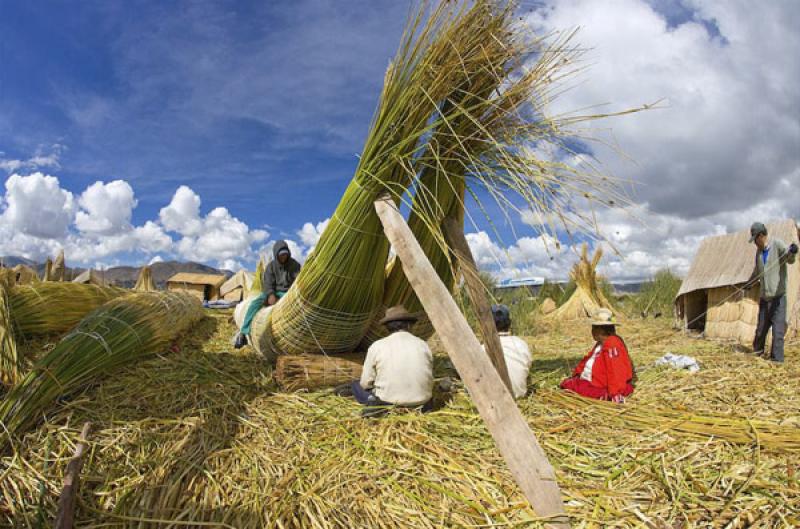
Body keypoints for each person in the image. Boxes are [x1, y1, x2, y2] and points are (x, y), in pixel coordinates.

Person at [339, 305, 433, 417]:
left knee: (356, 385)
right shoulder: (423, 345)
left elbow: (365, 383)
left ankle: (375, 404)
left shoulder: (377, 346)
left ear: (387, 327)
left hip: (388, 403)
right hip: (422, 404)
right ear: (409, 325)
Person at [745, 222, 798, 363]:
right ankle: (757, 356)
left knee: (778, 333)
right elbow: (757, 271)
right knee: (761, 330)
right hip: (764, 298)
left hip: (778, 299)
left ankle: (777, 362)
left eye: (755, 239)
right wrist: (749, 284)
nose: (755, 243)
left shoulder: (777, 245)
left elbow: (790, 258)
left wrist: (793, 251)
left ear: (761, 236)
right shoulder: (759, 252)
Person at [233, 240, 302, 349]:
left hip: (287, 293)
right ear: (276, 255)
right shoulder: (271, 266)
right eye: (281, 255)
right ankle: (243, 332)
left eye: (285, 254)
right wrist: (270, 294)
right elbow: (268, 283)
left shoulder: (295, 265)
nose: (284, 257)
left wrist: (291, 295)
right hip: (273, 292)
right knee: (255, 303)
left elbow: (298, 282)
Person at [560, 309, 633, 403]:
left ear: (600, 330)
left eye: (594, 328)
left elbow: (615, 369)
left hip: (601, 386)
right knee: (569, 384)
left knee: (571, 387)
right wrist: (576, 374)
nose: (592, 331)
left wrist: (615, 393)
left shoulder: (612, 343)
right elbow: (588, 360)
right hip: (593, 382)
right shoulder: (601, 344)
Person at [489, 304, 533, 399]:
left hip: (494, 398)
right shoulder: (522, 344)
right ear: (509, 323)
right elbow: (528, 368)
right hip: (519, 395)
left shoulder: (483, 348)